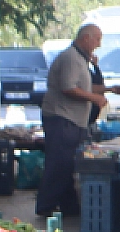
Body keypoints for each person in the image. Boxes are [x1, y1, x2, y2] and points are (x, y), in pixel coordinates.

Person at [36, 24, 112, 218]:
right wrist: (94, 99)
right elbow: (68, 88)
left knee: (69, 164)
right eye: (97, 39)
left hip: (74, 120)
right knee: (59, 163)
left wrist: (107, 90)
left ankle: (68, 206)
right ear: (85, 38)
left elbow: (84, 87)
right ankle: (46, 204)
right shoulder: (70, 57)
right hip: (62, 117)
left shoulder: (80, 59)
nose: (98, 44)